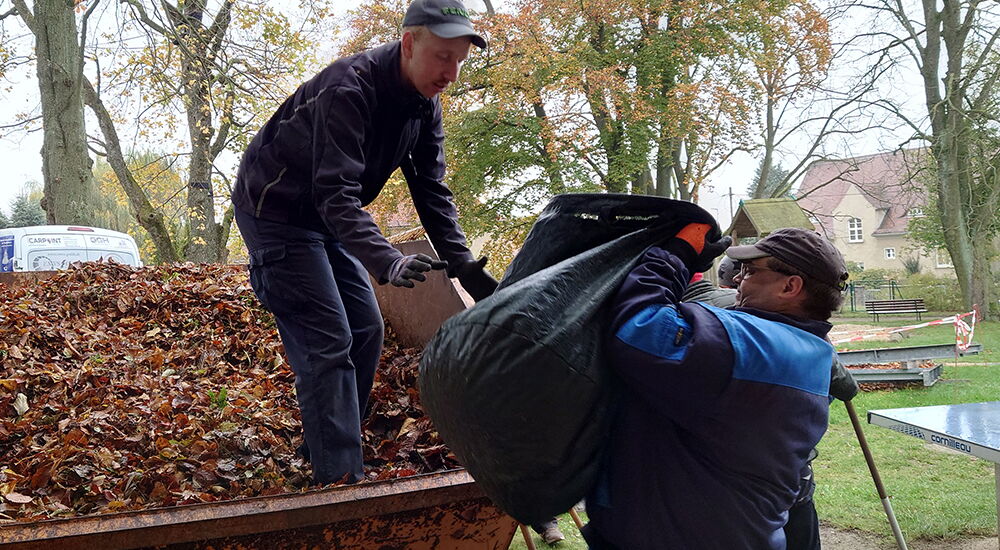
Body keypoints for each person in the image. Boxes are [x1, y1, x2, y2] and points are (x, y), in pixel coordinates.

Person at [230, 0, 497, 485]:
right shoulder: (348, 89)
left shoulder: (423, 105)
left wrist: (463, 265)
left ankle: (329, 447)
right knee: (329, 338)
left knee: (367, 330)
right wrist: (387, 261)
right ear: (409, 42)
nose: (451, 73)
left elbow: (431, 189)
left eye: (460, 60)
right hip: (277, 212)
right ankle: (340, 482)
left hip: (328, 219)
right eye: (443, 56)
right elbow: (336, 194)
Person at [582, 226, 850, 549]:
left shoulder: (752, 344)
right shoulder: (810, 352)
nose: (738, 279)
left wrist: (673, 258)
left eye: (750, 271)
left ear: (790, 286)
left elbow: (637, 330)